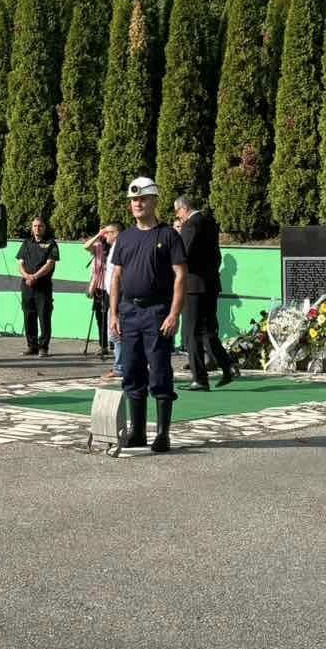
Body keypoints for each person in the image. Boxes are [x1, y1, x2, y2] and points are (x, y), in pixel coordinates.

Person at [108, 177, 187, 453]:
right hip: (129, 312)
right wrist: (113, 313)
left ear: (154, 201)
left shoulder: (168, 236)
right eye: (133, 200)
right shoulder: (125, 238)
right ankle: (137, 432)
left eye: (142, 199)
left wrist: (174, 313)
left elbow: (180, 276)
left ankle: (163, 434)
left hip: (157, 312)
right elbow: (116, 277)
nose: (137, 204)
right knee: (131, 370)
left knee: (160, 372)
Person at [174, 195, 238, 391]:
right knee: (207, 330)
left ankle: (200, 378)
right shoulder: (210, 222)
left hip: (193, 286)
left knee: (191, 332)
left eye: (177, 212)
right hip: (210, 285)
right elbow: (216, 256)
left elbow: (182, 254)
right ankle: (228, 366)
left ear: (183, 209)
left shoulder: (190, 224)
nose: (178, 217)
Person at [16, 215, 60, 357]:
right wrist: (27, 276)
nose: (37, 228)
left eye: (40, 226)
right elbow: (20, 264)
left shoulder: (51, 244)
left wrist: (35, 276)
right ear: (32, 228)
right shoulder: (26, 243)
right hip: (27, 286)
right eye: (35, 226)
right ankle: (32, 346)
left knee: (44, 316)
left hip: (43, 286)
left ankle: (43, 347)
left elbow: (50, 264)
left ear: (44, 228)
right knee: (28, 316)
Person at [82, 224, 120, 361]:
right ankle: (103, 345)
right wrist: (98, 234)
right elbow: (86, 246)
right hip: (99, 287)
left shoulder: (117, 247)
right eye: (105, 232)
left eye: (108, 232)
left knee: (112, 315)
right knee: (100, 316)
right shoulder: (99, 247)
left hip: (113, 288)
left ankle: (114, 343)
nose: (106, 235)